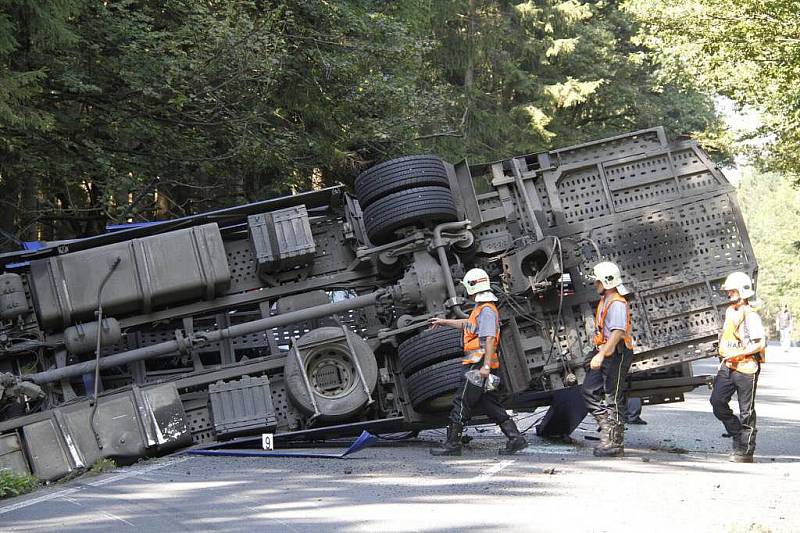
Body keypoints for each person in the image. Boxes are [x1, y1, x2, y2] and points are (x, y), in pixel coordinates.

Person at [428, 268, 527, 456]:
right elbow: (467, 325)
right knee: (489, 403)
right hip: (479, 362)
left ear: (473, 287)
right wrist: (444, 322)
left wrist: (486, 366)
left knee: (462, 400)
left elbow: (489, 339)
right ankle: (516, 438)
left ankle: (453, 444)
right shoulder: (481, 309)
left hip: (478, 363)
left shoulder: (487, 310)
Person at [710, 271, 766, 463]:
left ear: (742, 292)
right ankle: (737, 433)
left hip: (747, 367)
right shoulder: (730, 311)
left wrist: (737, 354)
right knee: (717, 402)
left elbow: (759, 344)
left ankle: (745, 450)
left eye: (732, 292)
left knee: (746, 411)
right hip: (729, 366)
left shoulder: (751, 316)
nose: (728, 295)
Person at [582, 261, 635, 457]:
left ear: (604, 282)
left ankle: (614, 442)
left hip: (617, 353)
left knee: (613, 396)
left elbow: (618, 332)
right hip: (605, 351)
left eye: (596, 281)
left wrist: (602, 354)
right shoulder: (606, 300)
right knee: (589, 390)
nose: (594, 285)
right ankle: (607, 430)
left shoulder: (617, 303)